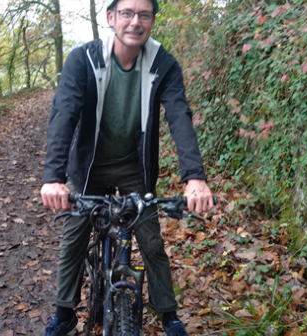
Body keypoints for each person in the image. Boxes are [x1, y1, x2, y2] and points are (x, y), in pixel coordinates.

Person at [40, 0, 214, 334]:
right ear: (111, 18)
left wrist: (195, 177)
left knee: (151, 240)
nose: (135, 22)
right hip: (90, 168)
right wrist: (54, 178)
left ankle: (168, 315)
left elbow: (179, 116)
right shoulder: (84, 59)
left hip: (135, 167)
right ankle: (64, 313)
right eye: (126, 13)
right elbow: (64, 115)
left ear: (152, 21)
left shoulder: (163, 64)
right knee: (74, 236)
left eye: (144, 15)